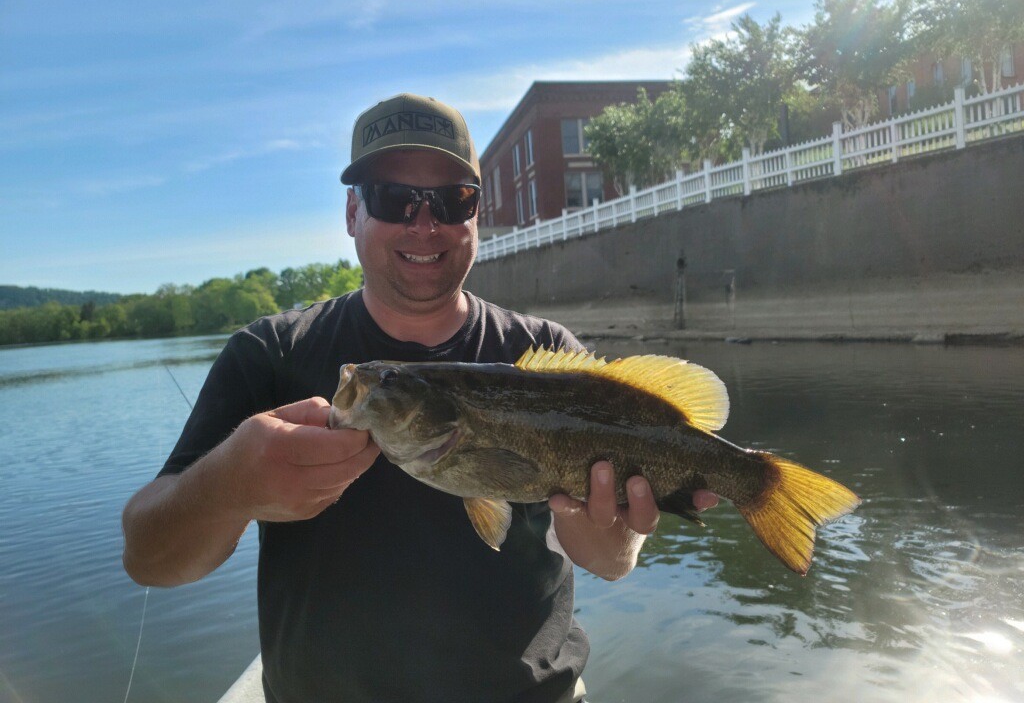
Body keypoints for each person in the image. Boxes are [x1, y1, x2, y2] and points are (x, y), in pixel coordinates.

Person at [121, 93, 719, 703]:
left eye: (451, 200)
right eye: (393, 199)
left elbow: (611, 562)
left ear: (477, 213)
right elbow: (149, 559)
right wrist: (229, 484)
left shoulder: (545, 353)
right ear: (352, 212)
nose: (424, 224)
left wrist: (608, 519)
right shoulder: (269, 354)